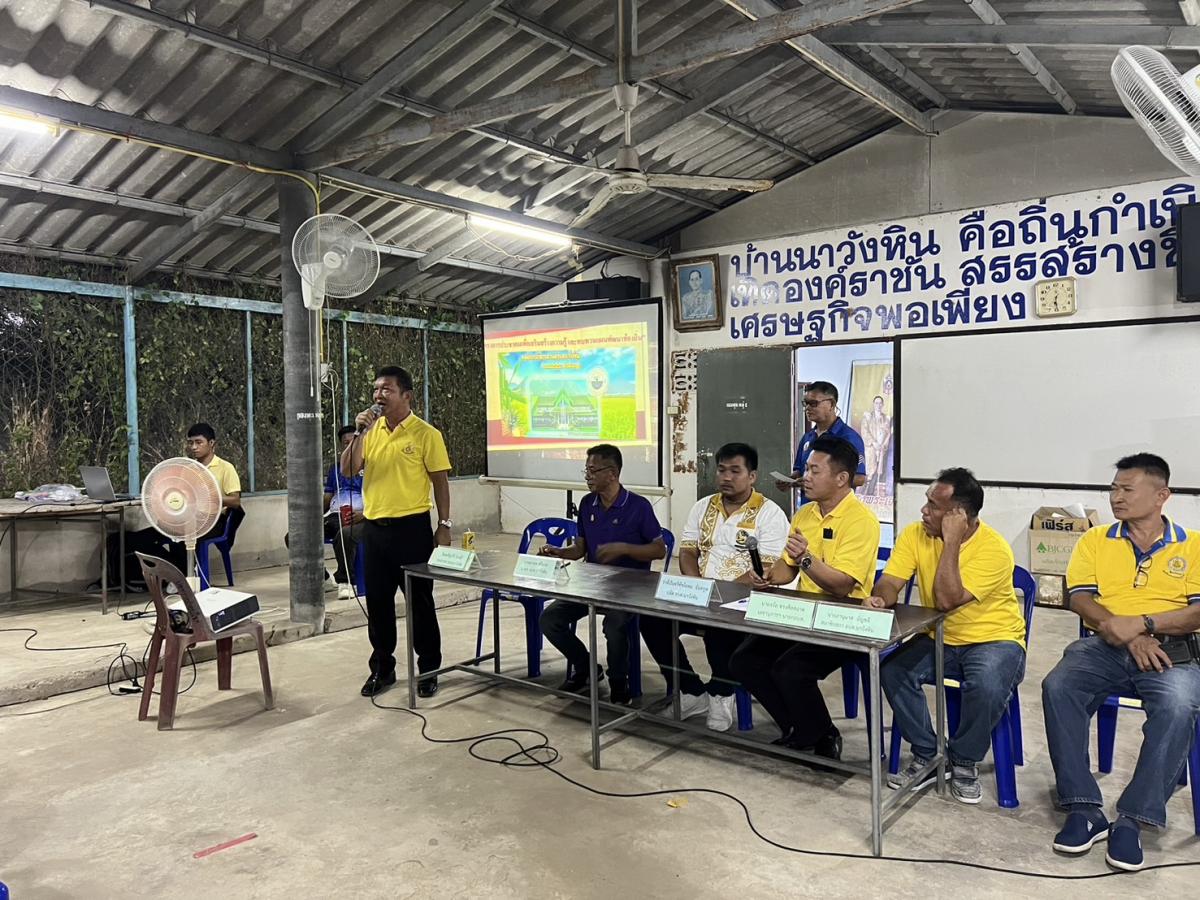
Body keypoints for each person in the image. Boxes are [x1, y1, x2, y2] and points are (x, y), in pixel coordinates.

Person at [1042, 453, 1200, 872]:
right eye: (1113, 489)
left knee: (1179, 704)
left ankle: (1134, 818)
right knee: (1059, 685)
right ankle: (1083, 807)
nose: (1116, 497)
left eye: (1127, 489)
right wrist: (1131, 635)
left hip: (1172, 651)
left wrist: (1145, 624)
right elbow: (1079, 598)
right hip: (1106, 644)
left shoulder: (1194, 544)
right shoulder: (1095, 540)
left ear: (1161, 495)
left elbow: (1197, 613)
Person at [873, 468, 1026, 804]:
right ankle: (928, 753)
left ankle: (964, 759)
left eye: (934, 506)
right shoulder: (915, 534)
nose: (924, 511)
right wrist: (882, 597)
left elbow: (946, 600)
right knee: (892, 670)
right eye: (926, 501)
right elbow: (891, 580)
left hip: (994, 639)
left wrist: (951, 541)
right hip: (939, 636)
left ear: (960, 517)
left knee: (986, 686)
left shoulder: (994, 549)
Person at [730, 436, 879, 763]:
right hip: (803, 613)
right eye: (806, 469)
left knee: (790, 669)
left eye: (814, 470)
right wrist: (769, 576)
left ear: (841, 478)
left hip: (845, 618)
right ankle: (800, 727)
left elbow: (841, 587)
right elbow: (788, 568)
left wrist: (807, 558)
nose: (805, 477)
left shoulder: (861, 521)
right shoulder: (804, 514)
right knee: (744, 660)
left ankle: (822, 733)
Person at [640, 442, 789, 731]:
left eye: (735, 471)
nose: (726, 477)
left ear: (752, 476)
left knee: (719, 630)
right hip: (703, 594)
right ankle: (690, 691)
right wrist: (697, 586)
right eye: (721, 470)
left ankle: (722, 693)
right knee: (652, 620)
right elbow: (687, 551)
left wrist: (720, 595)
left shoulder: (770, 514)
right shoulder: (702, 506)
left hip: (744, 601)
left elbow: (766, 569)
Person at [343, 366, 452, 699]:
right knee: (378, 604)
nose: (379, 396)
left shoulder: (426, 434)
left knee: (420, 603)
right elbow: (348, 469)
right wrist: (360, 433)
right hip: (374, 531)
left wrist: (444, 525)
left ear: (407, 396)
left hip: (412, 530)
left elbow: (440, 482)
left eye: (387, 389)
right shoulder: (370, 431)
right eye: (376, 389)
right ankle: (382, 668)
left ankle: (429, 668)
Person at [538, 444, 666, 705]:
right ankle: (586, 668)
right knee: (550, 618)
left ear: (612, 473)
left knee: (614, 625)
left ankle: (619, 682)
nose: (587, 476)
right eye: (586, 470)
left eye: (593, 470)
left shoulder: (638, 506)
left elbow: (659, 550)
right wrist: (559, 552)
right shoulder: (587, 504)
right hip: (592, 584)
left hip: (630, 588)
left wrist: (625, 549)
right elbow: (580, 549)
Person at [284, 425, 364, 599]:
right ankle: (324, 578)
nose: (350, 446)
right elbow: (327, 498)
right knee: (295, 536)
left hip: (361, 516)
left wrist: (364, 514)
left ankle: (346, 581)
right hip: (335, 515)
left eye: (354, 441)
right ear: (341, 446)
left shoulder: (371, 466)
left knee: (344, 535)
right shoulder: (336, 469)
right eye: (346, 443)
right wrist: (311, 517)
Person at [776, 381, 866, 505]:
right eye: (806, 403)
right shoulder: (807, 437)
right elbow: (800, 471)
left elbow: (859, 478)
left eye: (813, 403)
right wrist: (790, 481)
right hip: (809, 508)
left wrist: (819, 481)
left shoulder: (849, 437)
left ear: (831, 404)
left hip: (836, 510)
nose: (808, 408)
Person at [860, 395, 892, 498]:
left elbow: (888, 433)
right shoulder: (868, 417)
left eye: (880, 403)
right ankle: (861, 494)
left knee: (877, 472)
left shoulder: (886, 419)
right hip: (871, 449)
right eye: (876, 403)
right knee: (868, 471)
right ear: (874, 404)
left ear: (882, 405)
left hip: (881, 450)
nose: (878, 405)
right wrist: (874, 443)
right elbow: (864, 431)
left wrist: (883, 445)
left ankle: (870, 494)